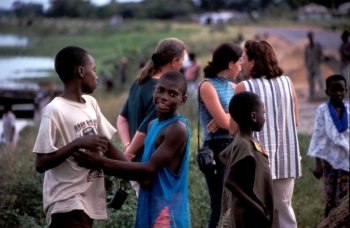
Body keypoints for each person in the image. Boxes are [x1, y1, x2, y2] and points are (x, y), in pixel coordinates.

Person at [74, 71, 191, 228]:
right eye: (161, 90)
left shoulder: (177, 129)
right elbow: (146, 178)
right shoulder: (152, 125)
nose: (164, 97)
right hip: (151, 204)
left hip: (166, 210)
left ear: (182, 100)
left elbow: (148, 169)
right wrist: (107, 147)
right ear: (153, 90)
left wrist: (101, 163)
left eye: (172, 94)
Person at [32, 46, 125, 227]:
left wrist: (137, 172)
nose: (96, 76)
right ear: (81, 71)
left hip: (87, 199)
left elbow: (107, 145)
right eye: (94, 70)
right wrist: (77, 144)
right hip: (66, 202)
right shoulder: (54, 110)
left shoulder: (91, 103)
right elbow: (40, 163)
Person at [235, 40, 301, 228]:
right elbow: (295, 121)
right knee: (284, 210)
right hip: (285, 157)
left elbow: (233, 129)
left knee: (256, 214)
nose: (242, 63)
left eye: (244, 58)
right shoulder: (288, 83)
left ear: (253, 62)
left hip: (254, 160)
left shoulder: (244, 88)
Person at [116, 38, 186, 195]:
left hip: (135, 165)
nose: (183, 64)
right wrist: (131, 153)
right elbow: (144, 131)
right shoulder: (164, 91)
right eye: (182, 59)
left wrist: (127, 148)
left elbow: (122, 119)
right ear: (174, 61)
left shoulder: (139, 81)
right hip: (149, 166)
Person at [198, 42, 242, 228]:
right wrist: (231, 116)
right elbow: (226, 124)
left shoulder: (234, 87)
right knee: (220, 207)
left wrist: (227, 115)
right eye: (240, 62)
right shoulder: (208, 85)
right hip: (216, 149)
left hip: (234, 146)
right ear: (231, 64)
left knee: (234, 205)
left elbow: (245, 117)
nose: (242, 66)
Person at [219, 91, 279, 228]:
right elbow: (230, 182)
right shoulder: (243, 144)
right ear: (253, 116)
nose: (264, 117)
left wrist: (243, 173)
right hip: (249, 211)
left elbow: (222, 155)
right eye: (263, 113)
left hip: (257, 200)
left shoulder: (248, 140)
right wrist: (257, 208)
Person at [307, 75, 349, 217]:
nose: (338, 93)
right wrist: (318, 164)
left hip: (346, 161)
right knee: (330, 198)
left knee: (344, 199)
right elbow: (318, 137)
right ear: (327, 92)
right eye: (334, 90)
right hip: (329, 161)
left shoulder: (348, 110)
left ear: (346, 90)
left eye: (341, 90)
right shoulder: (322, 111)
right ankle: (329, 223)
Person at [304, 31, 325, 98]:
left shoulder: (317, 46)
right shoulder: (307, 47)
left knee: (319, 79)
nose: (311, 38)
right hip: (310, 66)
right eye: (309, 37)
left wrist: (320, 59)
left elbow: (322, 55)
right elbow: (305, 57)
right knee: (310, 81)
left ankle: (323, 94)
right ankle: (312, 95)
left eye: (311, 36)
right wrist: (307, 64)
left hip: (316, 65)